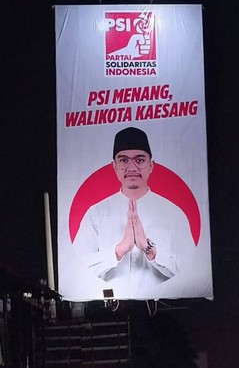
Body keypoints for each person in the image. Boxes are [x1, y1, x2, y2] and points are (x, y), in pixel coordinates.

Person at [72, 127, 195, 298]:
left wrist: (150, 250)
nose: (132, 167)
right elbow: (78, 267)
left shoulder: (174, 213)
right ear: (114, 166)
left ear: (151, 165)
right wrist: (118, 251)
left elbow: (190, 268)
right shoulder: (96, 213)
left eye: (139, 159)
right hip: (110, 310)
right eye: (123, 160)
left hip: (161, 308)